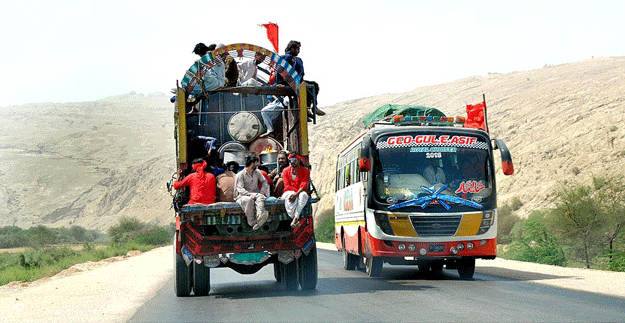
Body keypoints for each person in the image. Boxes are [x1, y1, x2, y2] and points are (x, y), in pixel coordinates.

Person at [234, 154, 270, 230]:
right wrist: (249, 195)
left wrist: (262, 192)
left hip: (255, 195)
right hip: (242, 196)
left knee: (260, 197)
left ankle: (260, 217)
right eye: (256, 162)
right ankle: (252, 222)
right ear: (252, 163)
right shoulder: (240, 175)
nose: (257, 164)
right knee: (248, 200)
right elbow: (240, 189)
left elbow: (264, 182)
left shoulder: (257, 173)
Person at [281, 153, 310, 228]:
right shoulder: (285, 171)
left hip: (299, 193)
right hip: (288, 192)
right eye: (290, 160)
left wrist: (296, 194)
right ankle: (295, 218)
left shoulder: (306, 171)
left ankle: (295, 218)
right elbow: (287, 186)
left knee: (303, 195)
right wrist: (295, 194)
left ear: (299, 160)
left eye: (294, 160)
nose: (292, 162)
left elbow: (304, 184)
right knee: (291, 194)